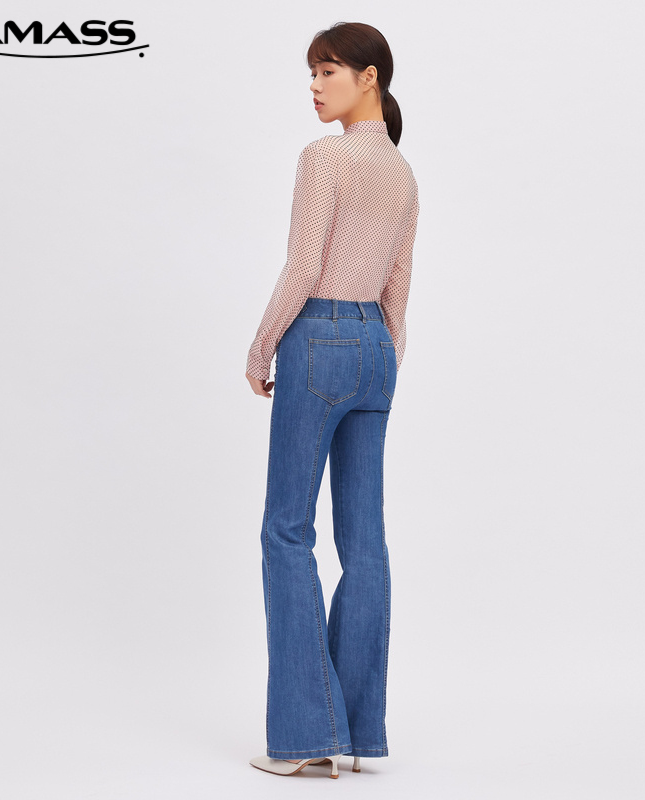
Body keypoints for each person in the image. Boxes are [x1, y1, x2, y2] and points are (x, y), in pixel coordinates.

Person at [245, 21, 420, 780]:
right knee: (365, 543)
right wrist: (384, 359)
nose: (315, 87)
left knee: (287, 531)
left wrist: (261, 348)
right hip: (377, 348)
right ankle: (356, 730)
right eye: (312, 74)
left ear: (369, 77)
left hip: (316, 339)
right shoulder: (404, 174)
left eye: (328, 71)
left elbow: (303, 266)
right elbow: (398, 288)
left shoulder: (326, 157)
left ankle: (302, 735)